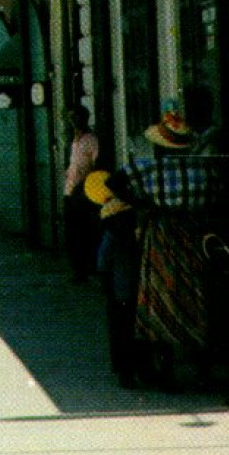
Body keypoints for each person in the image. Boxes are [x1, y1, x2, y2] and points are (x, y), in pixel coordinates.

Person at [110, 103, 214, 390]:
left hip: (161, 233)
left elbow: (113, 181)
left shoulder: (149, 169)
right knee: (194, 296)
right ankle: (200, 369)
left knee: (159, 296)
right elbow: (215, 195)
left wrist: (142, 202)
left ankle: (165, 367)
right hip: (191, 234)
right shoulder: (201, 170)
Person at [89, 170, 143, 388]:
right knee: (126, 326)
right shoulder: (125, 213)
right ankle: (127, 370)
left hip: (120, 285)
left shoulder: (111, 214)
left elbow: (102, 262)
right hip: (125, 285)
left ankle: (124, 368)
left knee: (120, 326)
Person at [63, 107, 100, 281]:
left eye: (77, 119)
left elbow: (96, 166)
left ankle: (85, 269)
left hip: (83, 192)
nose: (74, 124)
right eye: (72, 120)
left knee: (83, 233)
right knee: (71, 234)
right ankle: (77, 268)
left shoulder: (91, 140)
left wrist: (85, 185)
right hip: (70, 191)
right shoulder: (74, 141)